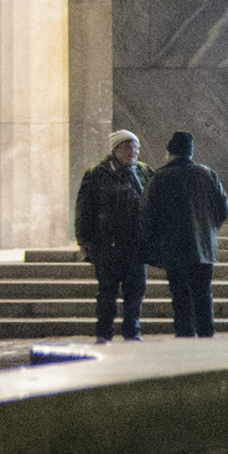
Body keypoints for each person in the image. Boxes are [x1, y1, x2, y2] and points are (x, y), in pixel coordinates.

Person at [142, 129, 228, 334]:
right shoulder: (207, 174)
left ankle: (185, 336)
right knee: (203, 294)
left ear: (169, 152)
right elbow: (223, 210)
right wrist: (208, 232)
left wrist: (153, 243)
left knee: (180, 295)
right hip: (204, 249)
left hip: (173, 248)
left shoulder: (159, 177)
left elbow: (147, 214)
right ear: (190, 152)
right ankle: (206, 334)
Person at [74, 129, 151, 341]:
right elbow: (85, 209)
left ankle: (132, 331)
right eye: (127, 147)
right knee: (107, 291)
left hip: (136, 244)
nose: (132, 152)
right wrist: (83, 238)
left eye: (135, 148)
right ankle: (104, 332)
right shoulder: (97, 174)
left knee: (136, 290)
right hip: (107, 244)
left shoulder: (143, 172)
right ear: (115, 150)